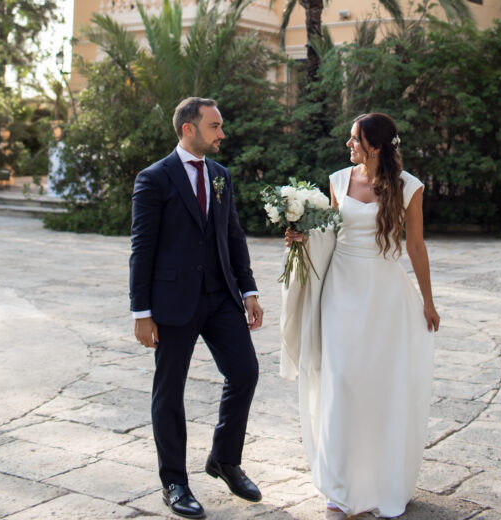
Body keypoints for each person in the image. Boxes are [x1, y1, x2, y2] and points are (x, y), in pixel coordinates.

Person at [285, 112, 439, 518]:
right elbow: (329, 235)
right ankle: (340, 486)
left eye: (355, 139)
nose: (349, 144)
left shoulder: (409, 187)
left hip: (385, 295)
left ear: (376, 145)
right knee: (342, 381)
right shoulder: (338, 181)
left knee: (381, 386)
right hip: (341, 290)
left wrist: (427, 301)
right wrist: (301, 237)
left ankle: (382, 480)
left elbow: (416, 246)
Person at [130, 96, 263, 519]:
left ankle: (224, 459)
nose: (222, 133)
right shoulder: (154, 178)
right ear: (189, 128)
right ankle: (174, 482)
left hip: (221, 296)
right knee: (170, 390)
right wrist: (141, 312)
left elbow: (233, 236)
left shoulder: (221, 176)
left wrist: (248, 289)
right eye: (214, 126)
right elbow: (142, 247)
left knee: (245, 372)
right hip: (173, 301)